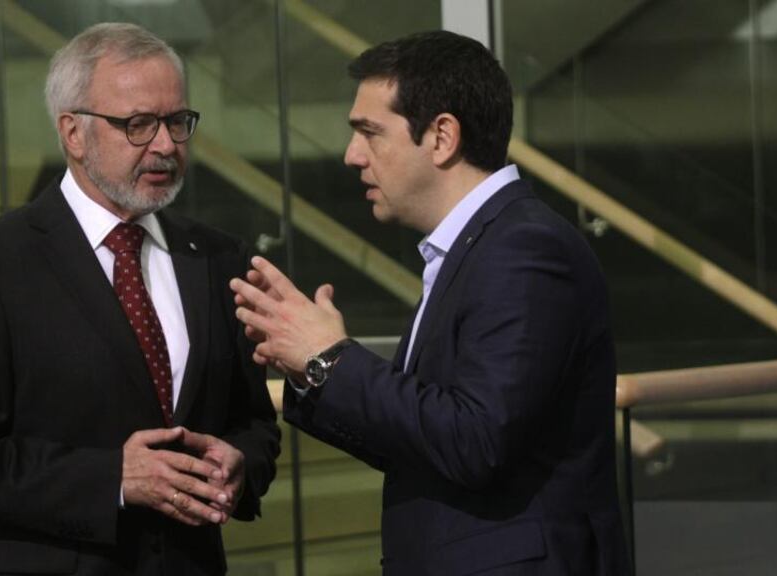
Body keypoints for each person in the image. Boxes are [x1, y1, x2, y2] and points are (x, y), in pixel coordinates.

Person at [231, 30, 629, 575]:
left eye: (370, 132)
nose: (352, 156)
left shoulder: (523, 249)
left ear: (442, 137)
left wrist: (331, 358)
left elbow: (476, 441)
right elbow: (422, 439)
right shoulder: (473, 247)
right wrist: (311, 368)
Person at [0, 23, 280, 576]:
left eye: (177, 122)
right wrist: (112, 478)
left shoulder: (218, 258)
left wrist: (241, 465)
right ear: (73, 134)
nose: (165, 145)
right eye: (138, 124)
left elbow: (254, 423)